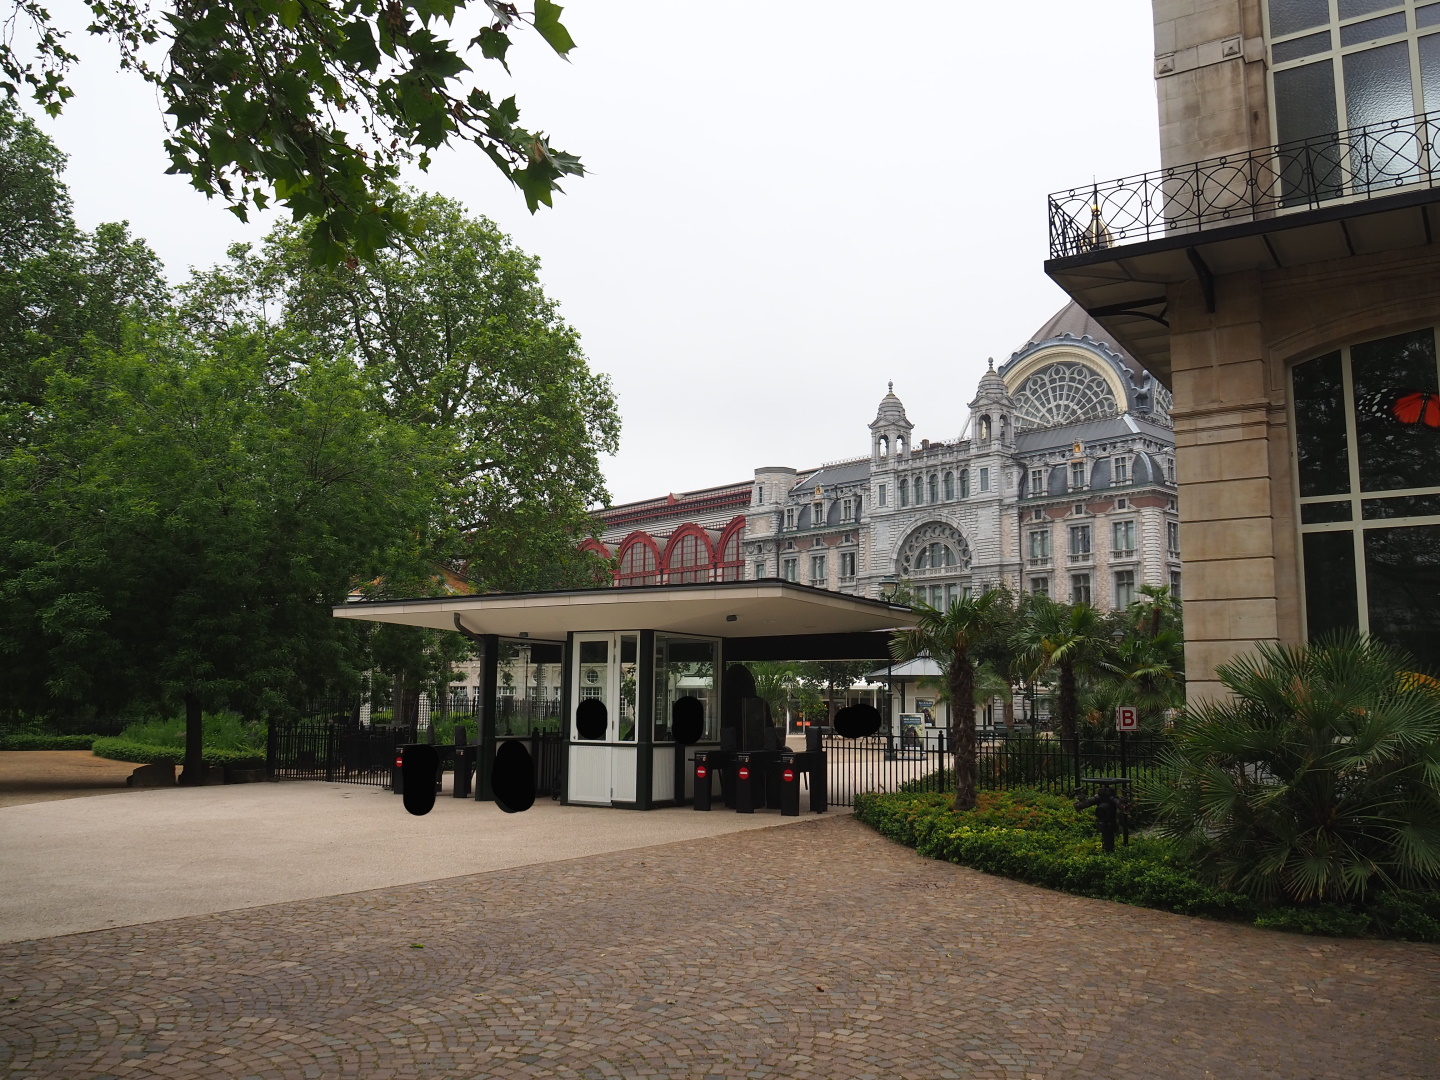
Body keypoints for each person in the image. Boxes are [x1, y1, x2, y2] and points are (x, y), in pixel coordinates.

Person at [1075, 782, 1125, 853]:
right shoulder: (1104, 798)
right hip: (1106, 821)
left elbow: (1088, 802)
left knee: (1108, 831)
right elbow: (1087, 803)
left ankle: (1108, 850)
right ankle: (1108, 851)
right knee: (1106, 830)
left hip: (1109, 822)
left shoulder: (1103, 798)